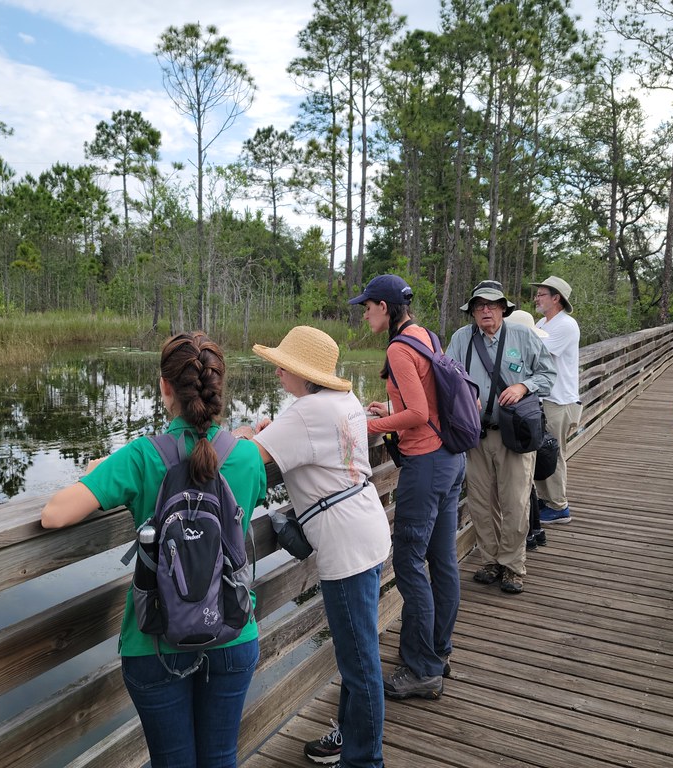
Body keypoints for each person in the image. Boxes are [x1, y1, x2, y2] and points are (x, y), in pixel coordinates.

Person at [40, 332, 267, 768]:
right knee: (221, 758)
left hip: (154, 641)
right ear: (218, 388)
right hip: (234, 633)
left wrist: (99, 471)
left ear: (165, 388)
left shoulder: (141, 456)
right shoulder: (248, 457)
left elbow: (54, 515)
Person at [234, 325, 391, 768]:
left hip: (346, 547)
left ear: (304, 375)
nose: (278, 370)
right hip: (366, 529)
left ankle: (365, 760)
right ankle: (350, 738)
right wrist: (272, 429)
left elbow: (247, 458)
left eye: (284, 365)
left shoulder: (305, 414)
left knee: (359, 664)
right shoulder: (344, 401)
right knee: (359, 653)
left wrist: (248, 430)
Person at [348, 274, 465, 701]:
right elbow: (426, 401)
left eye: (367, 306)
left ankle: (422, 669)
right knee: (442, 558)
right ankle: (438, 651)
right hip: (452, 458)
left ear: (384, 306)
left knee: (411, 560)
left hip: (428, 462)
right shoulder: (425, 334)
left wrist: (370, 423)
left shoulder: (399, 348)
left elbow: (417, 413)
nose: (364, 313)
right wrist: (390, 407)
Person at [447, 280, 556, 595]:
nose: (485, 310)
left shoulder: (522, 336)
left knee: (515, 502)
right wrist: (463, 394)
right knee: (481, 503)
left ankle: (513, 566)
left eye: (492, 305)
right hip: (475, 435)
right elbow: (446, 376)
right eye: (479, 305)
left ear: (503, 309)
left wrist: (523, 387)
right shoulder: (461, 339)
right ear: (472, 311)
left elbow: (548, 375)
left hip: (514, 435)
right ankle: (491, 560)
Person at [530, 276, 581, 526]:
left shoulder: (566, 325)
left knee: (553, 452)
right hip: (545, 398)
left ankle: (559, 506)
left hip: (559, 400)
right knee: (541, 451)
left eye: (541, 294)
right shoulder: (542, 322)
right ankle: (545, 499)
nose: (536, 298)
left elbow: (540, 352)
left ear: (556, 298)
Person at [504, 309, 550, 550]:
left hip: (522, 424)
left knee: (523, 486)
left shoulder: (523, 346)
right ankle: (536, 531)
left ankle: (530, 534)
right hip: (533, 420)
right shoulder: (533, 345)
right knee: (527, 484)